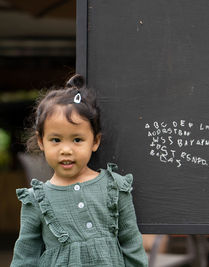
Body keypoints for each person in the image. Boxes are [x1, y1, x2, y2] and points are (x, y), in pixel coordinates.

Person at [11, 74, 148, 266]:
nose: (66, 150)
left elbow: (132, 244)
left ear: (95, 141)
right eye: (56, 140)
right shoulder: (36, 200)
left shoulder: (115, 187)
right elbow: (25, 257)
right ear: (41, 142)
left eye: (77, 139)